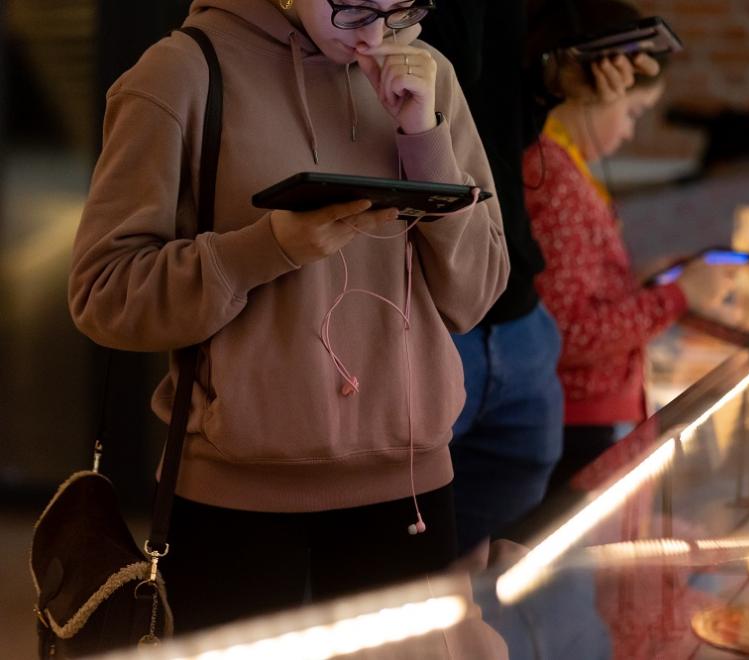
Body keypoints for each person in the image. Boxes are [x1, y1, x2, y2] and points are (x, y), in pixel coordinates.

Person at [68, 0, 508, 632]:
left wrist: (425, 139)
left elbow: (477, 294)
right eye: (355, 8)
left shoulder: (427, 73)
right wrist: (266, 249)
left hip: (409, 493)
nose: (378, 33)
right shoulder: (179, 75)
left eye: (401, 6)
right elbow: (104, 294)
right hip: (233, 500)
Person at [420, 1, 660, 554]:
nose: (628, 128)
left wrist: (549, 85)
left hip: (518, 322)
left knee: (507, 587)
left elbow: (502, 130)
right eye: (632, 114)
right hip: (427, 320)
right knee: (411, 590)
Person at [523, 0, 734, 491]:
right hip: (581, 423)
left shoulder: (559, 168)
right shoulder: (553, 180)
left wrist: (634, 284)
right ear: (601, 87)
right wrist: (679, 296)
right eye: (633, 112)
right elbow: (569, 334)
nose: (629, 132)